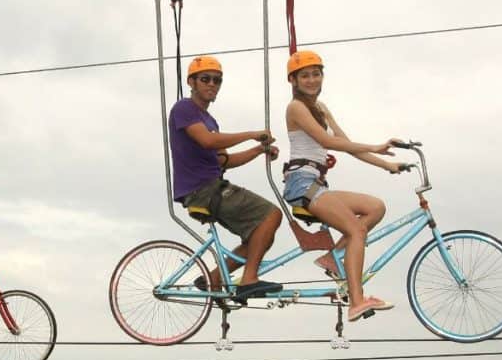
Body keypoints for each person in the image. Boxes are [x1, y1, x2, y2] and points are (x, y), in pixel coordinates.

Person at [282, 50, 403, 321]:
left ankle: (332, 258)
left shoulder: (321, 108)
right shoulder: (296, 108)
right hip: (301, 184)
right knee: (357, 229)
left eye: (316, 74)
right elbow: (328, 143)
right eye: (305, 76)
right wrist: (375, 145)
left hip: (316, 183)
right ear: (293, 80)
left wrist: (387, 164)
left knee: (375, 207)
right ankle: (357, 301)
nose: (312, 80)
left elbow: (345, 143)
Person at [169, 55, 284, 301]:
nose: (212, 84)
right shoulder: (184, 108)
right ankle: (249, 280)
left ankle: (213, 279)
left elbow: (223, 161)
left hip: (212, 184)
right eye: (205, 79)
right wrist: (252, 134)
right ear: (192, 82)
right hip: (203, 189)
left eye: (217, 80)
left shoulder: (211, 121)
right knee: (272, 215)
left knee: (259, 237)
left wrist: (258, 150)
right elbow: (207, 141)